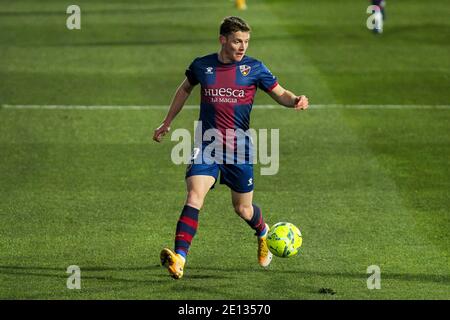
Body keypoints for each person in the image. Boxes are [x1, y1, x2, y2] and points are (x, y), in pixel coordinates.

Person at [153, 16, 309, 279]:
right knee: (194, 196)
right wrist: (167, 121)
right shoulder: (202, 66)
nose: (242, 47)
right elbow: (184, 89)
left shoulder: (254, 69)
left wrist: (295, 100)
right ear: (223, 40)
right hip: (207, 144)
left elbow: (280, 92)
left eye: (246, 42)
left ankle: (262, 232)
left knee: (243, 209)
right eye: (237, 41)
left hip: (239, 149)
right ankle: (180, 258)